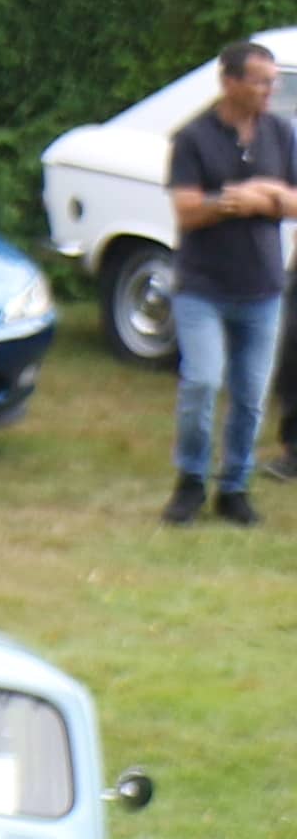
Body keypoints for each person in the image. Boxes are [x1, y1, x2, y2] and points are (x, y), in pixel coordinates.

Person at [162, 39, 297, 525]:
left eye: (272, 80)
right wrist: (228, 202)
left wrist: (267, 200)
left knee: (250, 396)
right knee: (201, 383)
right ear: (229, 82)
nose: (270, 89)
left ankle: (234, 489)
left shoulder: (280, 133)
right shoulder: (194, 138)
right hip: (202, 289)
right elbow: (185, 210)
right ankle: (191, 483)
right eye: (261, 81)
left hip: (263, 290)